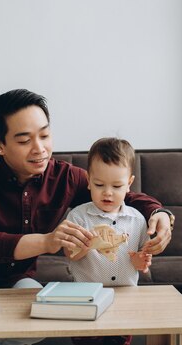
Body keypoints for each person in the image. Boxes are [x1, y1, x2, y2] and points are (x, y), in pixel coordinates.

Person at [0, 89, 174, 345]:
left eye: (44, 135)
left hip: (13, 280)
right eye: (24, 141)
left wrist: (160, 213)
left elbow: (117, 193)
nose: (40, 149)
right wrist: (46, 241)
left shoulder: (64, 178)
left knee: (44, 319)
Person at [64, 138, 156, 345]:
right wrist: (87, 245)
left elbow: (142, 263)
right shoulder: (78, 217)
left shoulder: (137, 219)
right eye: (99, 184)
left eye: (116, 186)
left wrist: (141, 261)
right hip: (85, 296)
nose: (107, 192)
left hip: (125, 296)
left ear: (129, 184)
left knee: (120, 340)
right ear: (88, 180)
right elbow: (70, 255)